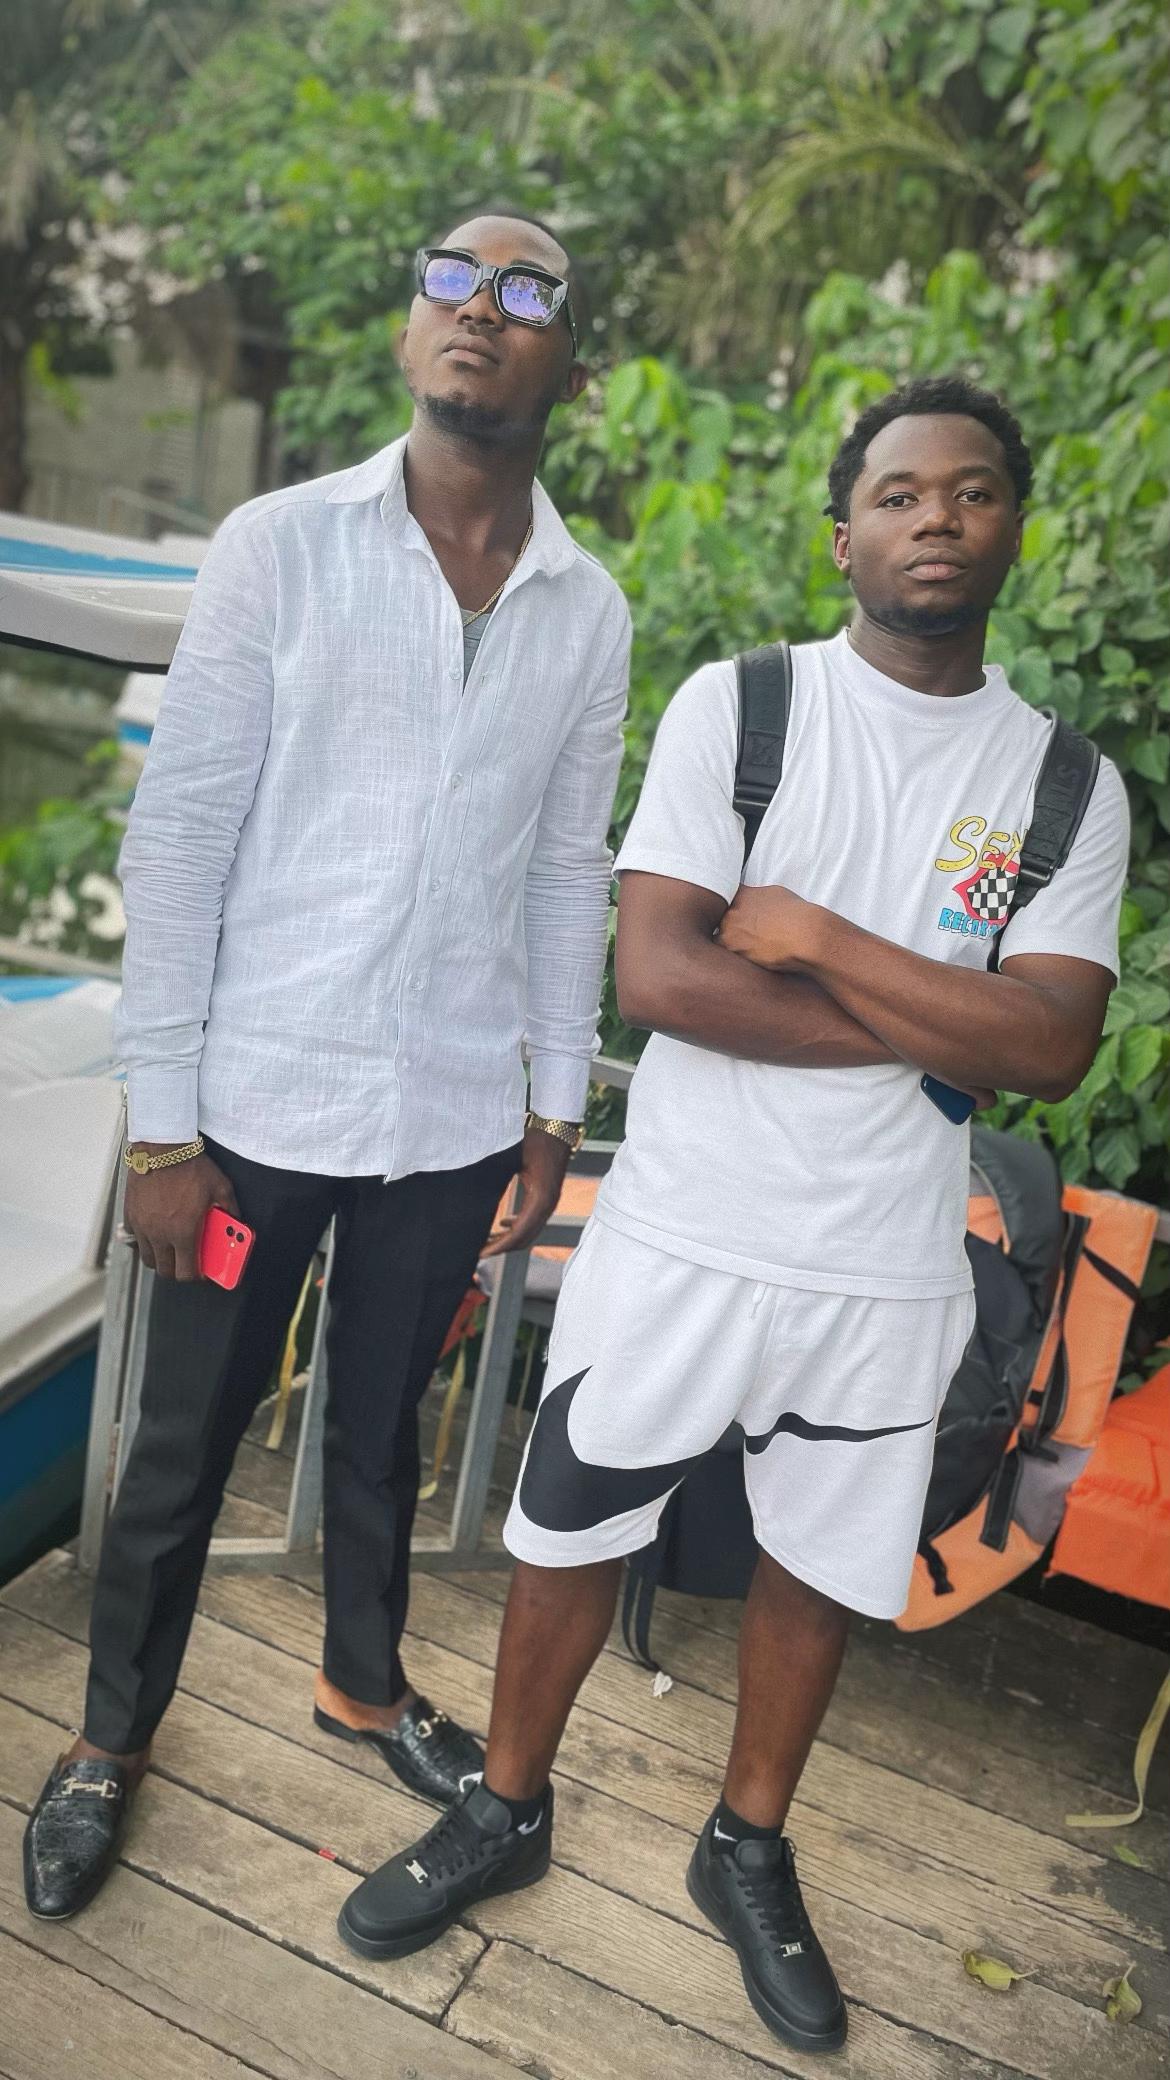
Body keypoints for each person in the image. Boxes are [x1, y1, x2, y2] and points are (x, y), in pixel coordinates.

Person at [338, 376, 1130, 2055]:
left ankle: (743, 1845)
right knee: (568, 1529)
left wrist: (821, 939)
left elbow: (1052, 1048)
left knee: (818, 1569)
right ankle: (504, 1804)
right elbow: (660, 978)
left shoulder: (1065, 788)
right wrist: (947, 1018)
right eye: (897, 494)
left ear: (1010, 527)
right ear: (843, 535)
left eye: (970, 492)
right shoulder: (747, 707)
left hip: (884, 1265)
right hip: (683, 1230)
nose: (933, 518)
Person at [23, 210, 631, 1923]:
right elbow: (180, 838)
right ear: (406, 329)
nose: (481, 309)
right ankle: (109, 1740)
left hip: (452, 1112)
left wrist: (552, 1102)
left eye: (526, 292)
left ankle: (361, 1681)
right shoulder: (280, 546)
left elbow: (566, 869)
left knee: (380, 1434)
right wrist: (164, 1131)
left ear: (568, 362)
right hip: (255, 1109)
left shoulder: (587, 608)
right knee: (178, 1448)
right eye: (451, 278)